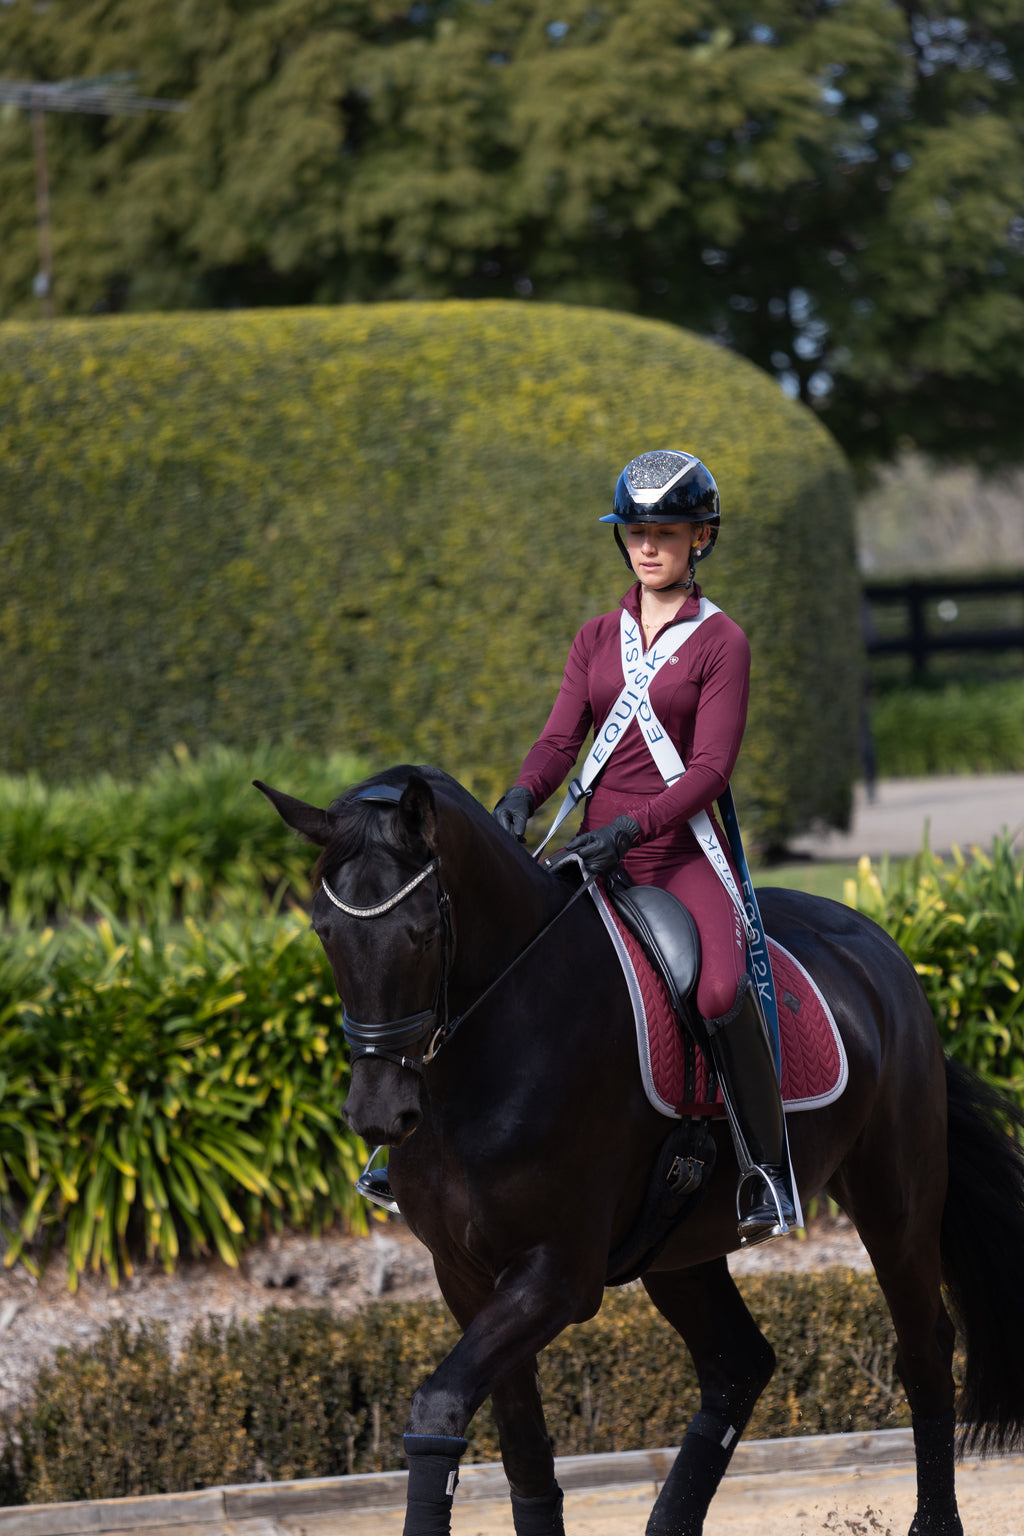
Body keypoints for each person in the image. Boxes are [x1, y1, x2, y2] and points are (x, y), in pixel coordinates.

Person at [493, 449, 797, 1245]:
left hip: (679, 849)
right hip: (596, 846)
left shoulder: (721, 641)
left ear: (702, 538)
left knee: (721, 992)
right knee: (496, 963)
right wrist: (522, 796)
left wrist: (633, 827)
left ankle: (766, 1166)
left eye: (665, 532)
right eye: (634, 532)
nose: (647, 547)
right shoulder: (596, 637)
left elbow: (711, 769)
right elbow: (562, 739)